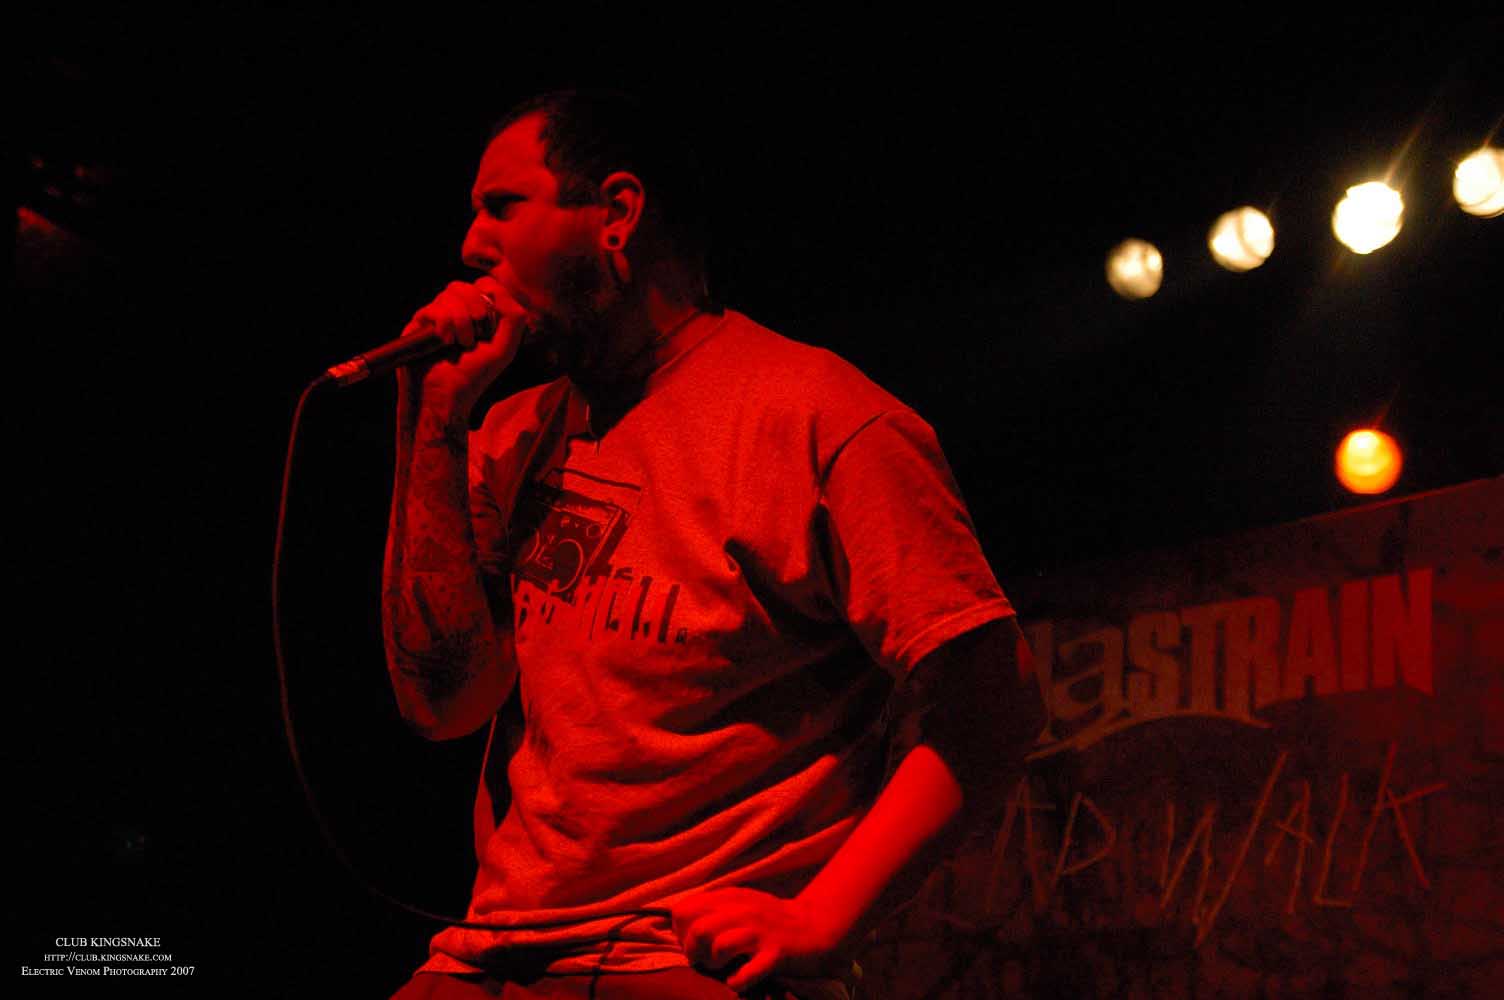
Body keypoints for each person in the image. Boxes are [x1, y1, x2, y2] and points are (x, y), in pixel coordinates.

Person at [381, 90, 1039, 1000]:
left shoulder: (818, 417)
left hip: (680, 959)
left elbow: (993, 698)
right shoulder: (510, 432)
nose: (470, 244)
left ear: (617, 213)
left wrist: (822, 919)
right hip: (490, 953)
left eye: (502, 206)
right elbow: (443, 704)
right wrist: (432, 419)